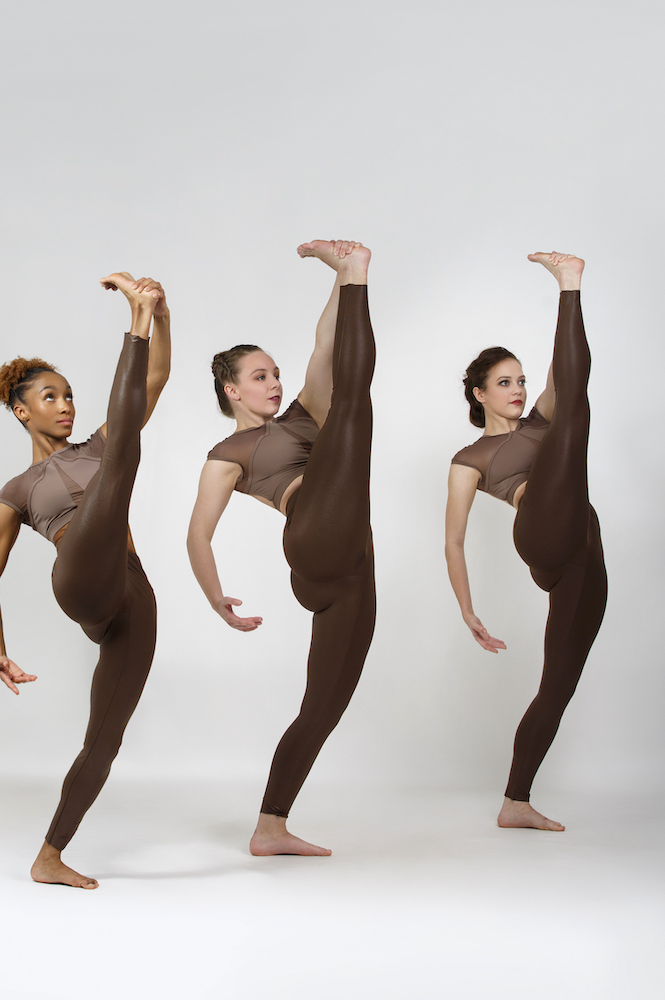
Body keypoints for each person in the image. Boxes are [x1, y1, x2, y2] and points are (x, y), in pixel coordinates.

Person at [0, 273, 170, 888]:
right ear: (22, 409)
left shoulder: (97, 445)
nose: (66, 407)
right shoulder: (16, 492)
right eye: (52, 397)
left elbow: (156, 380)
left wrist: (162, 315)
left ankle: (50, 855)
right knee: (120, 462)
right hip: (80, 578)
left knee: (104, 739)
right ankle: (129, 321)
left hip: (131, 594)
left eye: (69, 396)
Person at [188, 239, 375, 856]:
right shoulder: (228, 455)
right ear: (232, 390)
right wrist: (218, 600)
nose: (273, 383)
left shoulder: (302, 416)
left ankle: (270, 826)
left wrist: (332, 286)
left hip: (352, 563)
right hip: (314, 537)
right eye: (259, 376)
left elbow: (327, 347)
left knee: (325, 704)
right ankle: (360, 275)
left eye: (274, 373)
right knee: (354, 403)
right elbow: (198, 532)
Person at [445, 251, 607, 831]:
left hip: (583, 554)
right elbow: (455, 541)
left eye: (520, 380)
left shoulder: (538, 421)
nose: (517, 390)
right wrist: (468, 610)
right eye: (503, 383)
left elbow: (567, 375)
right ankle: (570, 283)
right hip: (540, 529)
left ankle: (515, 801)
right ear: (479, 394)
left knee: (557, 685)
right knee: (575, 412)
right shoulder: (471, 459)